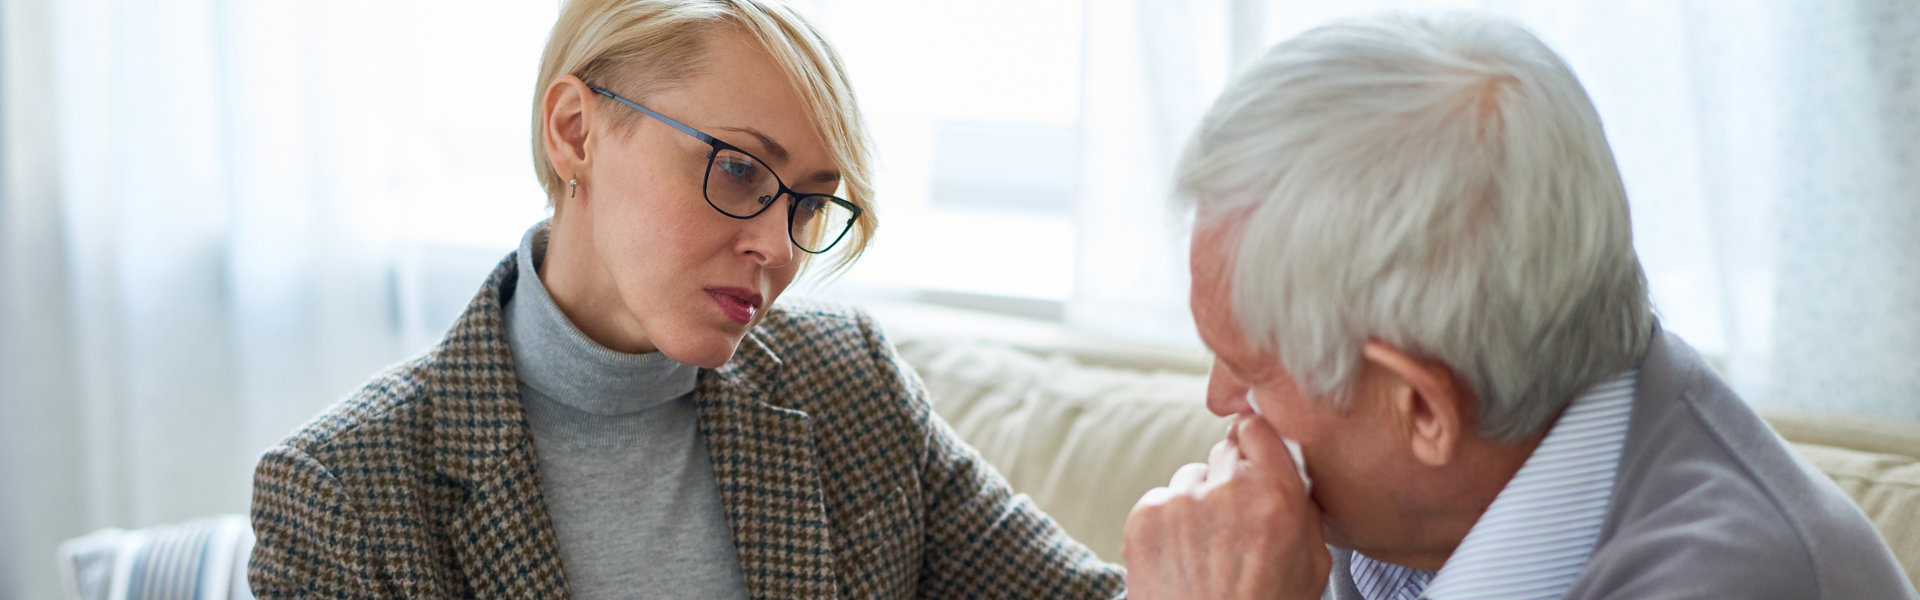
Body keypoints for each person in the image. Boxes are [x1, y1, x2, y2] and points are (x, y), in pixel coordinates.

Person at [246, 1, 1123, 597]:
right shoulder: (344, 492)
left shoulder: (852, 387)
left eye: (810, 202)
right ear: (575, 132)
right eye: (740, 169)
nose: (779, 248)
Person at [1122, 11, 1918, 600]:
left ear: (1423, 408)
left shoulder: (1742, 583)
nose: (1219, 400)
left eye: (1247, 367)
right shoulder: (1396, 514)